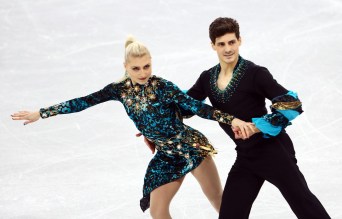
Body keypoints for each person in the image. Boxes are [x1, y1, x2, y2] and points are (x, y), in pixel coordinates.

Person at [11, 36, 256, 219]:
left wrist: (231, 119)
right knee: (158, 213)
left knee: (218, 200)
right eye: (136, 68)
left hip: (191, 147)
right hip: (166, 156)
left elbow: (198, 107)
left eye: (147, 66)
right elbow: (82, 102)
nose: (143, 72)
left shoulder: (163, 86)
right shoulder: (118, 90)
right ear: (126, 67)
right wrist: (41, 113)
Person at [185, 17, 331, 219]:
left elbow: (292, 104)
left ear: (239, 41)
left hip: (273, 152)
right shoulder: (207, 78)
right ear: (213, 46)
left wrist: (256, 126)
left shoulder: (255, 73)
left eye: (231, 42)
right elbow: (185, 105)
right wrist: (151, 121)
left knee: (304, 203)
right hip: (246, 156)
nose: (228, 49)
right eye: (221, 44)